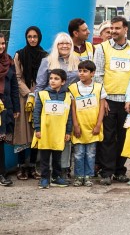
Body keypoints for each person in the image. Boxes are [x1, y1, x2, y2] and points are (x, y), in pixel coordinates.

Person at [94, 16, 130, 185]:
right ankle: (106, 172)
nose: (113, 31)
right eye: (112, 28)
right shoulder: (102, 48)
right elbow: (98, 75)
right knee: (108, 137)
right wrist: (103, 99)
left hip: (128, 101)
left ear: (125, 29)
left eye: (117, 28)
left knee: (124, 137)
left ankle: (119, 170)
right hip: (108, 100)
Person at [36, 33, 81, 180]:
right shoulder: (47, 61)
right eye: (61, 43)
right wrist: (37, 104)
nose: (64, 46)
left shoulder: (78, 60)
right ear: (56, 45)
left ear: (71, 45)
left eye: (67, 43)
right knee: (48, 137)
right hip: (49, 103)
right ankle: (45, 172)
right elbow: (40, 85)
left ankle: (63, 169)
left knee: (66, 137)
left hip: (70, 103)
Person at [12, 26, 47, 180]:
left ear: (39, 37)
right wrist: (28, 93)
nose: (32, 39)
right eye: (29, 37)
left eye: (35, 36)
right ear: (26, 38)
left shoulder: (45, 56)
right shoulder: (19, 55)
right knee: (21, 130)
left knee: (36, 130)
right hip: (23, 97)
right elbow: (17, 77)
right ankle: (21, 167)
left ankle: (33, 166)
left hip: (39, 97)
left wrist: (37, 93)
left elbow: (47, 77)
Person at [32, 68, 72, 189]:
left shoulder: (68, 96)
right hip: (45, 131)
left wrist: (68, 131)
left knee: (57, 157)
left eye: (56, 79)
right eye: (51, 78)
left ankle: (56, 177)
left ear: (63, 82)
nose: (52, 81)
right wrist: (37, 128)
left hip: (59, 132)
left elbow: (69, 116)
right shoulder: (42, 94)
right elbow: (36, 113)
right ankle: (44, 178)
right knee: (44, 157)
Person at [68, 60, 106, 187]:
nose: (81, 73)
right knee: (78, 154)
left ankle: (88, 176)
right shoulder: (73, 88)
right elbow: (73, 109)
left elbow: (102, 107)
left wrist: (98, 124)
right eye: (80, 71)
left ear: (92, 73)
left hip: (93, 127)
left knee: (91, 154)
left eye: (85, 71)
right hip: (79, 127)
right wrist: (75, 125)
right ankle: (79, 176)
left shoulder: (99, 88)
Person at [0, 33, 20, 186]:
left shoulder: (9, 61)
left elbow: (14, 87)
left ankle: (2, 174)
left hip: (5, 107)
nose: (1, 46)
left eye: (2, 43)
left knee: (0, 142)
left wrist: (15, 108)